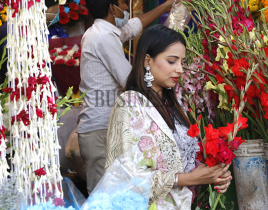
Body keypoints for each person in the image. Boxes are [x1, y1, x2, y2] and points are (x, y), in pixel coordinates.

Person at [105, 24, 232, 209]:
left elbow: (187, 160)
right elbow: (123, 175)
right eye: (172, 61)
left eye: (182, 62)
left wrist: (213, 174)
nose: (180, 69)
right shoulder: (130, 104)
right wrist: (187, 178)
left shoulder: (174, 105)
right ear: (147, 61)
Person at [78, 0, 176, 194]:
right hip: (100, 130)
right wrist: (161, 75)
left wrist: (166, 6)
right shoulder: (103, 37)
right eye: (123, 3)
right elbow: (130, 81)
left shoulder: (103, 31)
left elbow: (132, 27)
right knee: (103, 200)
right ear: (112, 8)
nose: (126, 8)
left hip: (104, 129)